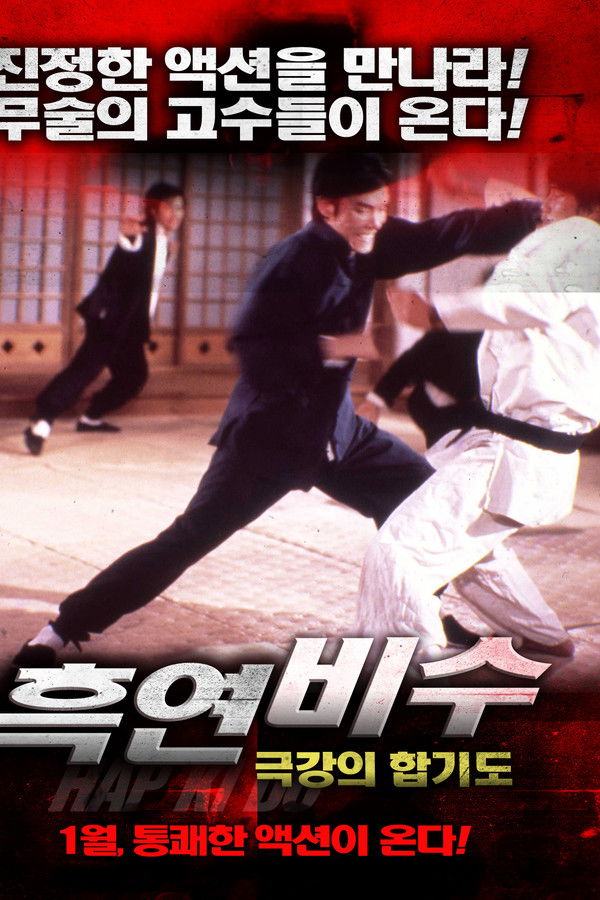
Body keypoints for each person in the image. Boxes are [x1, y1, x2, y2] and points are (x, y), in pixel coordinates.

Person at [13, 152, 542, 665]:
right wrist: (341, 346)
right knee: (187, 539)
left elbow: (449, 233)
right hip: (270, 438)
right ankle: (61, 630)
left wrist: (535, 218)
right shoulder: (290, 262)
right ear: (327, 207)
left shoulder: (372, 240)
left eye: (382, 207)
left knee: (425, 503)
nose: (376, 220)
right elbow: (255, 350)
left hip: (340, 433)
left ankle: (424, 614)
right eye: (363, 208)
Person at [356, 154, 600, 660]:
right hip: (526, 443)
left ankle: (399, 673)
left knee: (399, 552)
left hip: (517, 447)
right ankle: (546, 637)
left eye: (558, 192)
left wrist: (436, 313)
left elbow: (524, 301)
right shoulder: (580, 245)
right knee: (464, 543)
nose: (548, 203)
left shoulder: (579, 238)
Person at [23, 182, 185, 456]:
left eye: (180, 207)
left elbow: (142, 278)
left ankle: (90, 418)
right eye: (169, 206)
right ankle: (40, 423)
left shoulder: (164, 243)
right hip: (111, 321)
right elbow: (128, 251)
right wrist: (127, 238)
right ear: (153, 209)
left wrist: (167, 255)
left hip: (131, 325)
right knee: (84, 370)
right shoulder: (141, 234)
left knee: (133, 375)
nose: (176, 213)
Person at [360, 327, 483, 447]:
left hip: (475, 410)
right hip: (435, 406)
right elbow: (415, 357)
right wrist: (376, 399)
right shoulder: (460, 326)